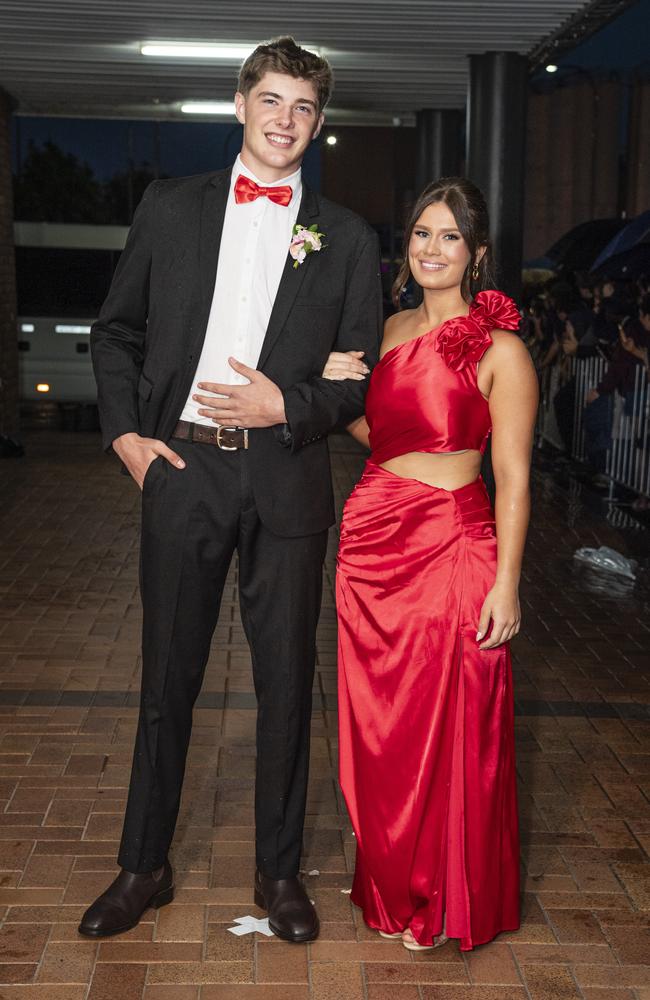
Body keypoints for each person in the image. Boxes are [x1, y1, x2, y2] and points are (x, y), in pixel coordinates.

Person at [80, 36, 382, 943]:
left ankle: (280, 874)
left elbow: (357, 381)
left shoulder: (349, 237)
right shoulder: (170, 208)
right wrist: (128, 436)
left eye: (305, 108)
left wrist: (283, 403)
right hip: (183, 467)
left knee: (287, 685)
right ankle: (144, 867)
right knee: (167, 678)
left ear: (318, 123)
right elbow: (116, 332)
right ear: (241, 105)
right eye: (273, 101)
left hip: (287, 476)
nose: (287, 121)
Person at [322, 177, 538, 951]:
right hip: (372, 543)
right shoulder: (379, 332)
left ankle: (445, 897)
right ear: (405, 245)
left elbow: (512, 476)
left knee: (454, 727)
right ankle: (392, 882)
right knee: (382, 732)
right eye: (421, 233)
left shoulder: (503, 349)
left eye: (450, 237)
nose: (433, 249)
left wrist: (507, 581)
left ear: (476, 254)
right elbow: (369, 427)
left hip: (455, 546)